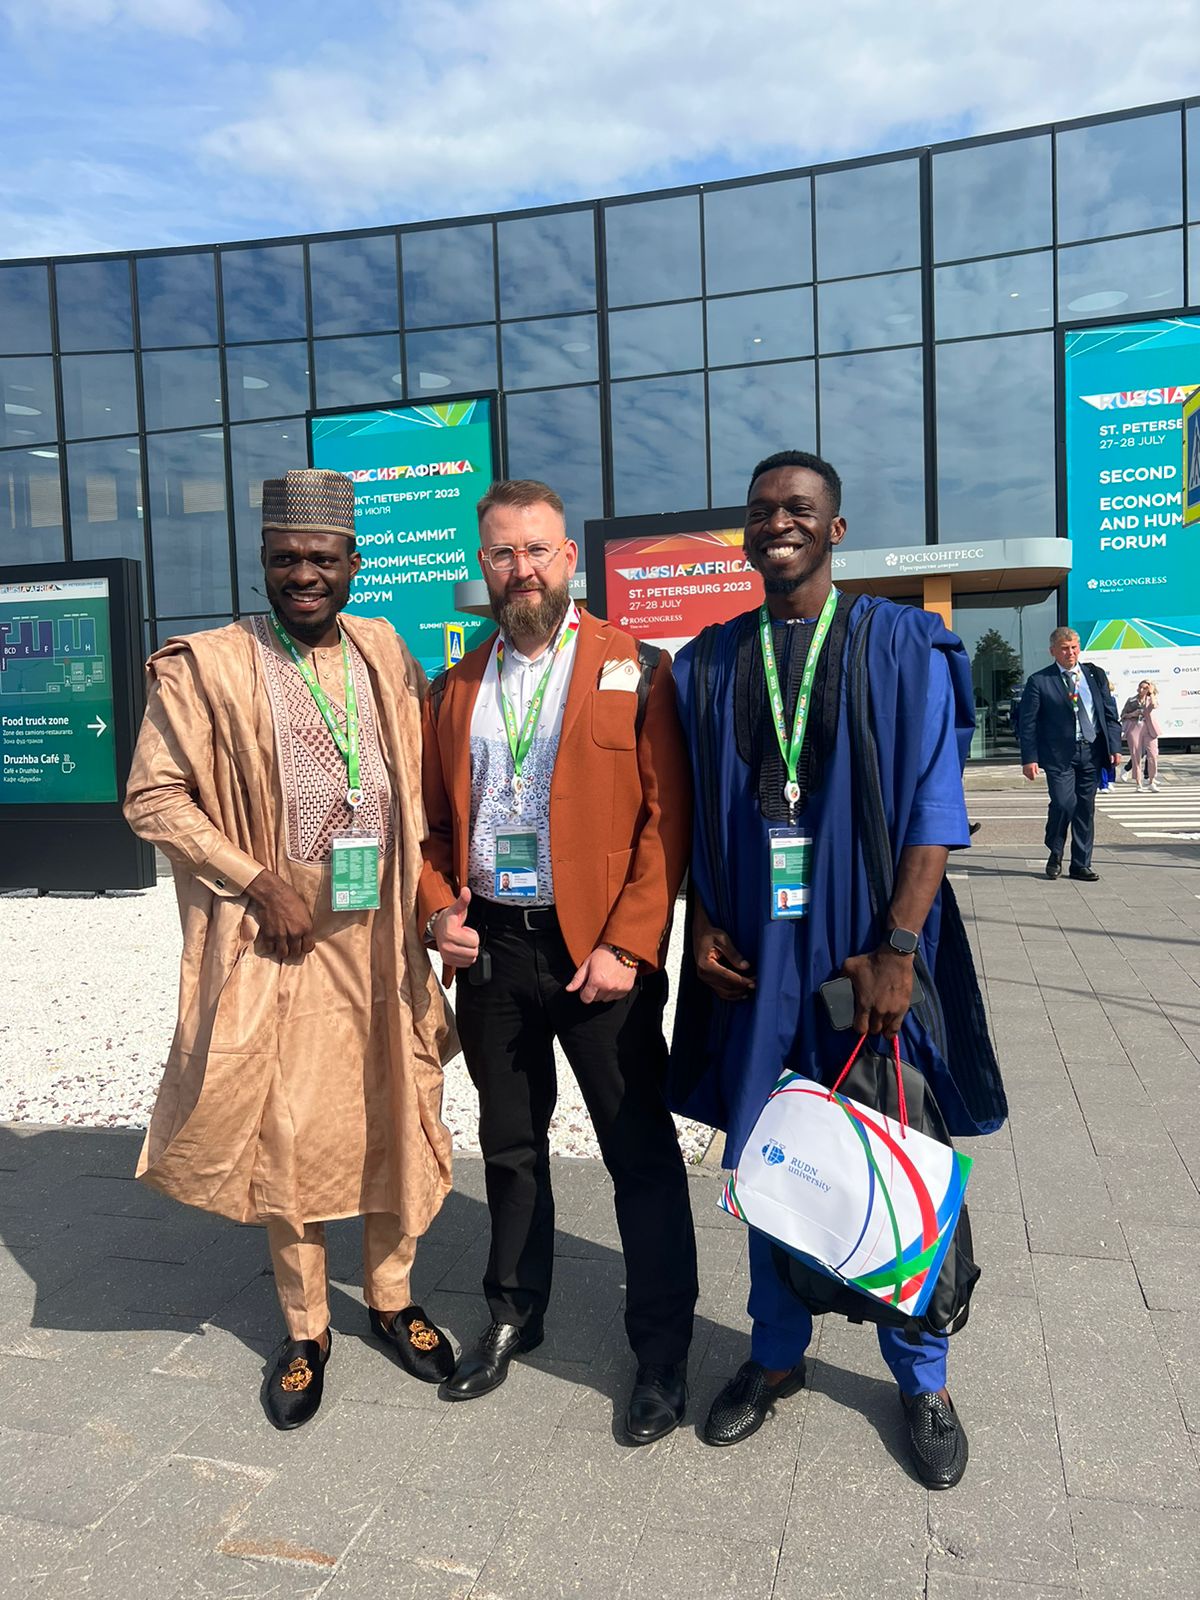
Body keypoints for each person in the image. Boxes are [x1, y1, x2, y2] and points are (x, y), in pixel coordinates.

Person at [668, 449, 1005, 1490]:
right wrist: (701, 921)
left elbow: (935, 806)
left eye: (799, 508)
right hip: (758, 958)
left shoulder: (901, 643)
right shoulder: (712, 660)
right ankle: (776, 1354)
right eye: (762, 509)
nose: (779, 522)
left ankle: (923, 1377)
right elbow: (695, 812)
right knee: (772, 1153)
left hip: (867, 953)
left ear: (836, 529)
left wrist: (900, 947)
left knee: (895, 1148)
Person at [124, 469, 457, 1430]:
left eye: (320, 558)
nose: (302, 575)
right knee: (288, 1125)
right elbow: (153, 796)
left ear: (354, 562)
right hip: (280, 936)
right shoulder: (211, 667)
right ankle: (306, 1328)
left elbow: (427, 777)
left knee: (397, 1103)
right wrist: (254, 879)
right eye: (284, 559)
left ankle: (391, 1299)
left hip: (380, 931)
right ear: (263, 562)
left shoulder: (383, 648)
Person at [419, 478, 698, 1444]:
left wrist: (629, 943)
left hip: (599, 954)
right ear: (483, 565)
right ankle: (513, 1312)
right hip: (494, 947)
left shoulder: (638, 668)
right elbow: (432, 829)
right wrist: (435, 912)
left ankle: (661, 1350)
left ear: (569, 558)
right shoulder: (455, 687)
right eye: (503, 553)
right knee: (509, 1145)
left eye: (537, 550)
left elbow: (667, 821)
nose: (522, 569)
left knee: (638, 1153)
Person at [1018, 627, 1121, 881]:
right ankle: (1055, 851)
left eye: (1074, 647)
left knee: (1085, 808)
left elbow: (1109, 714)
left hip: (1092, 750)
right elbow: (1027, 723)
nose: (1070, 653)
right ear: (1052, 651)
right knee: (1064, 803)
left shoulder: (1095, 675)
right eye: (1064, 649)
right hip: (1059, 755)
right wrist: (1029, 758)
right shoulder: (1040, 681)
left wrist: (1115, 747)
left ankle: (1080, 864)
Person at [1119, 680, 1162, 792]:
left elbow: (1153, 705)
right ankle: (1138, 783)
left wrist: (1151, 693)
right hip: (1134, 727)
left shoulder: (1151, 699)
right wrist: (1132, 714)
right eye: (1140, 687)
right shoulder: (1131, 700)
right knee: (1136, 755)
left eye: (1145, 688)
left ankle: (1151, 781)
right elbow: (1123, 715)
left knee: (1153, 755)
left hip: (1149, 728)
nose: (1141, 690)